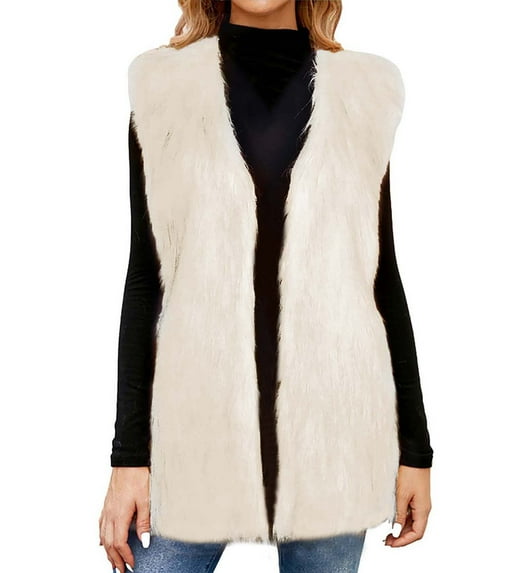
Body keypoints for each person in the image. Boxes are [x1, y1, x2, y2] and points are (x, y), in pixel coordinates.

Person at [99, 1, 433, 571]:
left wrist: (416, 452)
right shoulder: (163, 91)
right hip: (193, 435)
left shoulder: (365, 94)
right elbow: (145, 280)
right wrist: (128, 458)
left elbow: (381, 278)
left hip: (336, 439)